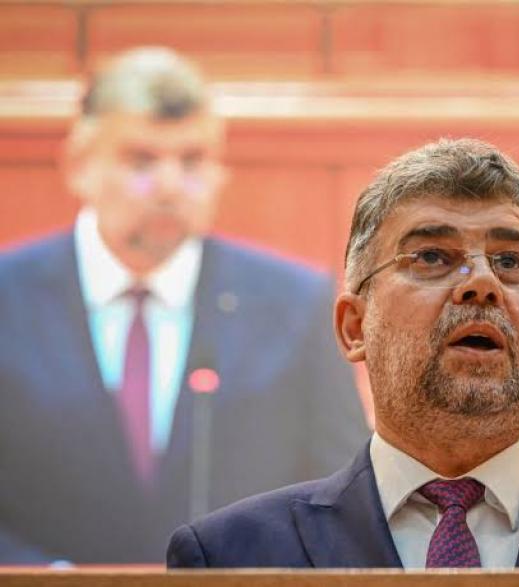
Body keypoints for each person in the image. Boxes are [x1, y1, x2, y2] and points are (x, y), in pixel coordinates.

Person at [167, 138, 519, 569]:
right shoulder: (231, 557)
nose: (483, 284)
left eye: (511, 262)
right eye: (432, 258)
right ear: (354, 328)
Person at [0, 47, 368, 564]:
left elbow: (341, 498)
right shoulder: (8, 297)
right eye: (141, 161)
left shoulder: (292, 303)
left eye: (192, 162)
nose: (170, 187)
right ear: (79, 165)